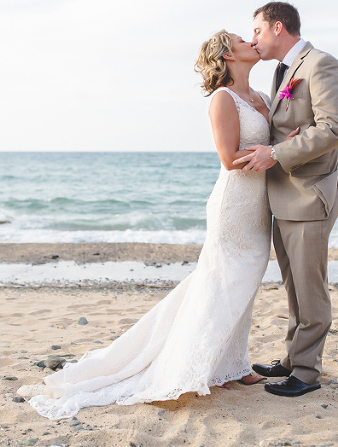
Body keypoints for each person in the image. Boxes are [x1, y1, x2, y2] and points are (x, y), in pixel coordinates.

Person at [29, 30, 297, 420]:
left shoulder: (261, 97)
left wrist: (286, 145)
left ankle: (233, 364)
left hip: (260, 204)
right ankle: (206, 365)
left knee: (242, 282)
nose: (249, 41)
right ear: (227, 55)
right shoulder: (224, 99)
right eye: (242, 38)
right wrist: (267, 153)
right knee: (224, 281)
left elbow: (274, 140)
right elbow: (228, 157)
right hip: (235, 203)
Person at [233, 2, 338, 397]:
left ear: (277, 27)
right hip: (283, 196)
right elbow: (290, 126)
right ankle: (291, 357)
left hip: (309, 195)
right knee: (293, 286)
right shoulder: (284, 71)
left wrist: (277, 153)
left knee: (310, 288)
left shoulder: (321, 65)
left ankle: (306, 373)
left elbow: (335, 128)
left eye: (257, 31)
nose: (253, 39)